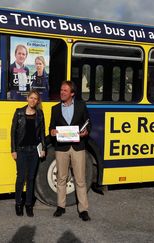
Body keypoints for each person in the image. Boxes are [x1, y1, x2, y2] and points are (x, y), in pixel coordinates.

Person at [49, 80, 91, 221]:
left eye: (65, 90)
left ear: (72, 93)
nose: (62, 92)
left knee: (80, 180)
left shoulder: (81, 106)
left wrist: (86, 132)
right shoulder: (55, 109)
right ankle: (61, 207)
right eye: (61, 90)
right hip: (61, 148)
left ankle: (83, 209)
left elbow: (88, 123)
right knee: (61, 178)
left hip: (78, 147)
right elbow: (51, 128)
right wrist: (52, 132)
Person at [10, 90, 46, 217]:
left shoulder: (40, 114)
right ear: (27, 99)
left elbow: (42, 132)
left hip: (34, 151)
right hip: (21, 150)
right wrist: (13, 150)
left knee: (31, 178)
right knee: (21, 178)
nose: (33, 100)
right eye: (31, 98)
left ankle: (28, 205)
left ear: (37, 101)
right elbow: (13, 132)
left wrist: (43, 148)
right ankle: (18, 203)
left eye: (35, 99)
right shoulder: (19, 112)